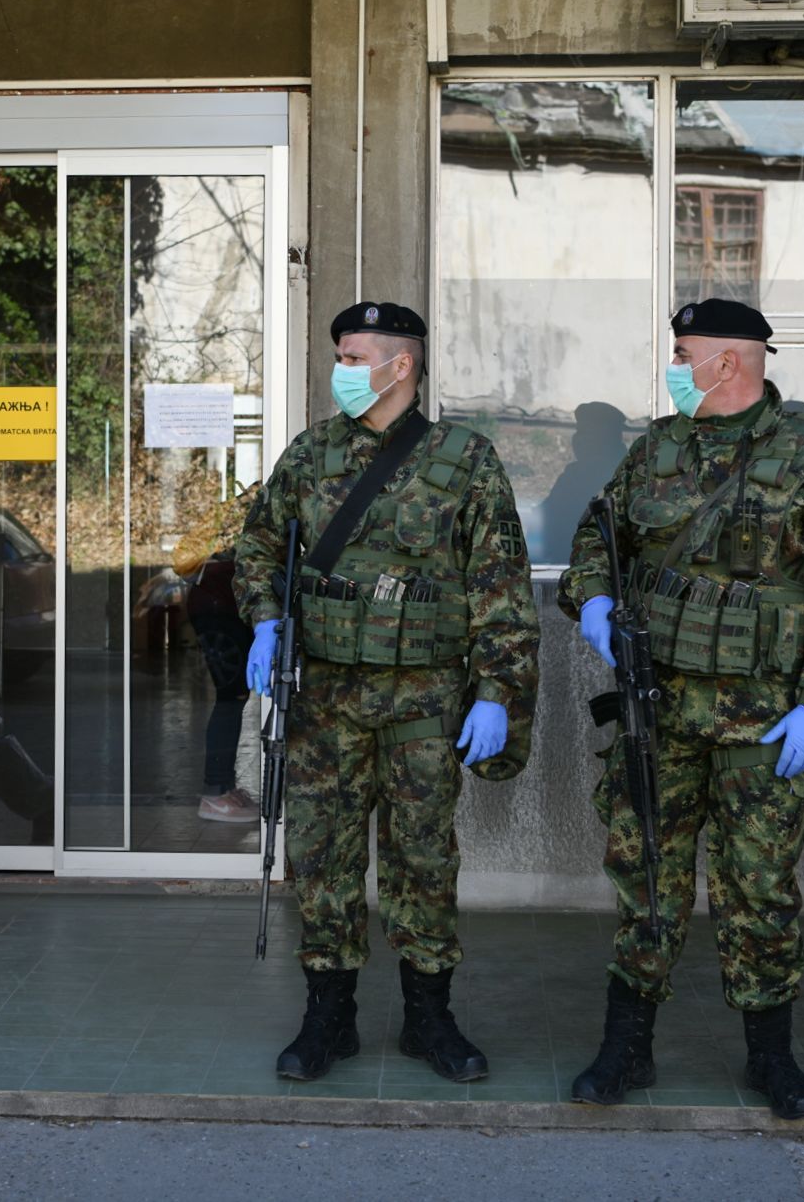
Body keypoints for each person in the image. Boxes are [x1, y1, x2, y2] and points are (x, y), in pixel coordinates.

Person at [559, 298, 804, 1117]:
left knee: (760, 891)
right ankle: (626, 1048)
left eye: (683, 351)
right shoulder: (658, 448)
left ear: (729, 361)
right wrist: (595, 599)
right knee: (647, 880)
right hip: (659, 712)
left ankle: (771, 1059)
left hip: (764, 722)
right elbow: (600, 536)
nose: (674, 366)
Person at [233, 301, 540, 1084]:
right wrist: (267, 621)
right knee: (324, 857)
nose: (340, 369)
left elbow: (500, 588)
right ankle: (327, 1015)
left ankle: (428, 1016)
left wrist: (497, 691)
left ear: (400, 365)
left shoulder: (465, 461)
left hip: (423, 706)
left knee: (422, 861)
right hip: (324, 701)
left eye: (353, 355)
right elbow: (259, 548)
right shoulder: (309, 456)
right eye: (337, 355)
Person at [173, 480, 263, 823]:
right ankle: (214, 793)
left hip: (218, 608)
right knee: (230, 697)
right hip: (217, 611)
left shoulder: (234, 513)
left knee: (234, 697)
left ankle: (224, 785)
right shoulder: (246, 517)